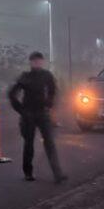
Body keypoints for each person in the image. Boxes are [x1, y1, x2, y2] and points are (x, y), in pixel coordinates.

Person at [8, 51, 66, 183]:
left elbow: (53, 90)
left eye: (39, 61)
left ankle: (58, 173)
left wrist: (49, 103)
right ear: (30, 63)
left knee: (49, 142)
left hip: (42, 113)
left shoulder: (47, 75)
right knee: (29, 144)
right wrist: (20, 109)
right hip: (28, 114)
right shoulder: (25, 77)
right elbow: (12, 94)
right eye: (34, 61)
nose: (37, 63)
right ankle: (28, 172)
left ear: (42, 62)